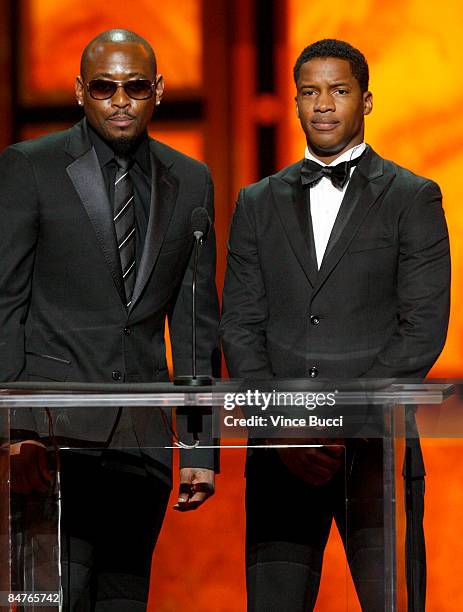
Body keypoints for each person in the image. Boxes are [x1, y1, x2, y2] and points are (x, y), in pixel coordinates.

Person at [220, 39, 450, 611]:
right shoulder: (255, 202)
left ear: (366, 101)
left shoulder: (412, 197)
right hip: (280, 456)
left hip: (373, 450)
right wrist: (285, 431)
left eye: (339, 91)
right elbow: (241, 326)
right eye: (310, 92)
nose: (323, 104)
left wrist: (336, 423)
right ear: (296, 102)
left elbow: (422, 329)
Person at [0, 29, 220, 610]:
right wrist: (15, 429)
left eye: (135, 86)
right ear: (79, 91)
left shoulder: (191, 179)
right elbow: (5, 304)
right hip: (51, 442)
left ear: (158, 91)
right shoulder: (29, 167)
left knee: (125, 600)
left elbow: (196, 322)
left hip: (141, 446)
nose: (120, 99)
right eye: (104, 86)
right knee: (52, 601)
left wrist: (198, 446)